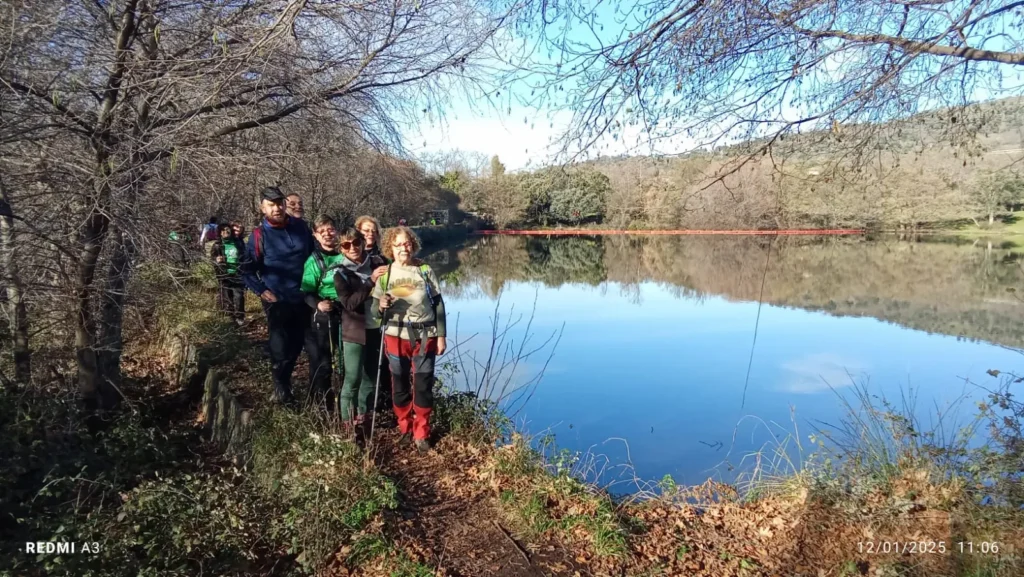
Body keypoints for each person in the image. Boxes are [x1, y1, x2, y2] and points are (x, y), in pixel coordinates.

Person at [371, 226, 447, 453]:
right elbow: (374, 311)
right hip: (395, 335)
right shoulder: (385, 275)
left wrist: (441, 335)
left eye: (406, 243)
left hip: (425, 335)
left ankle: (421, 433)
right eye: (398, 244)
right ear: (390, 248)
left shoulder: (424, 270)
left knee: (423, 385)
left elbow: (439, 304)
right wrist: (381, 305)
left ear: (412, 244)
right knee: (400, 384)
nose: (403, 248)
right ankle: (405, 427)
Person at [241, 186, 314, 407]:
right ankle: (281, 390)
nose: (277, 208)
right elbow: (246, 269)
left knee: (297, 345)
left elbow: (314, 256)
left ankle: (288, 385)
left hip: (304, 297)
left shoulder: (301, 227)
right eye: (271, 204)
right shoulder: (258, 236)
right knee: (280, 346)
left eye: (280, 203)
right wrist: (262, 290)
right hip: (278, 300)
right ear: (262, 208)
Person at [332, 226, 389, 444]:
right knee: (352, 378)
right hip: (353, 331)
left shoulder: (377, 263)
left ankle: (362, 415)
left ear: (363, 242)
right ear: (342, 249)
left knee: (370, 376)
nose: (353, 248)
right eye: (347, 245)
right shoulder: (340, 273)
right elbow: (350, 303)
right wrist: (370, 281)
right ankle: (347, 421)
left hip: (375, 327)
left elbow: (393, 283)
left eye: (356, 243)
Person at [301, 215, 344, 414]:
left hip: (347, 314)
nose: (328, 234)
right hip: (324, 316)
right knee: (323, 363)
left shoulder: (346, 254)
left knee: (344, 363)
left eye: (331, 229)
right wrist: (318, 304)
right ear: (316, 235)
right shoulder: (314, 260)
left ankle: (346, 407)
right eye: (322, 231)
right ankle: (322, 406)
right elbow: (306, 291)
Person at [210, 223, 246, 325]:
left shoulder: (237, 243)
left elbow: (244, 256)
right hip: (224, 275)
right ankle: (230, 318)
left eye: (227, 230)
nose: (225, 232)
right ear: (219, 233)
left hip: (237, 273)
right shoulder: (217, 245)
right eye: (222, 230)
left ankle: (240, 317)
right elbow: (212, 259)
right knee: (226, 297)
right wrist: (217, 260)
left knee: (239, 296)